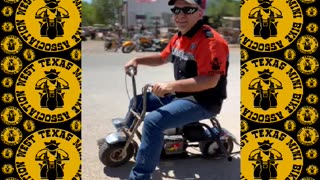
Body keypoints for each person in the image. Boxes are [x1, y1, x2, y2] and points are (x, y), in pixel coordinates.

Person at [124, 0, 229, 179]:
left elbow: (210, 81)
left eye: (188, 9)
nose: (180, 14)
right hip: (181, 94)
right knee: (138, 101)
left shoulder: (211, 42)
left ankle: (140, 176)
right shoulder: (179, 36)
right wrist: (137, 60)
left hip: (203, 101)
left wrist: (170, 86)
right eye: (176, 9)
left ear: (199, 13)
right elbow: (162, 57)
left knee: (153, 122)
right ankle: (124, 140)